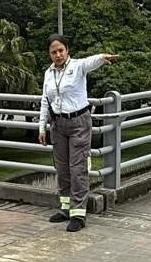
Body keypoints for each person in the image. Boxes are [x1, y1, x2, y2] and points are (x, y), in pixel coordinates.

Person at [37, 35, 116, 232]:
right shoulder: (49, 73)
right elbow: (45, 100)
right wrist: (41, 126)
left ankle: (78, 212)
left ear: (67, 50)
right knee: (62, 168)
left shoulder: (77, 67)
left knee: (77, 167)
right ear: (49, 54)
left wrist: (101, 58)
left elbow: (90, 62)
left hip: (79, 122)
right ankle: (65, 207)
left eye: (61, 50)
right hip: (58, 124)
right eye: (53, 52)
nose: (58, 55)